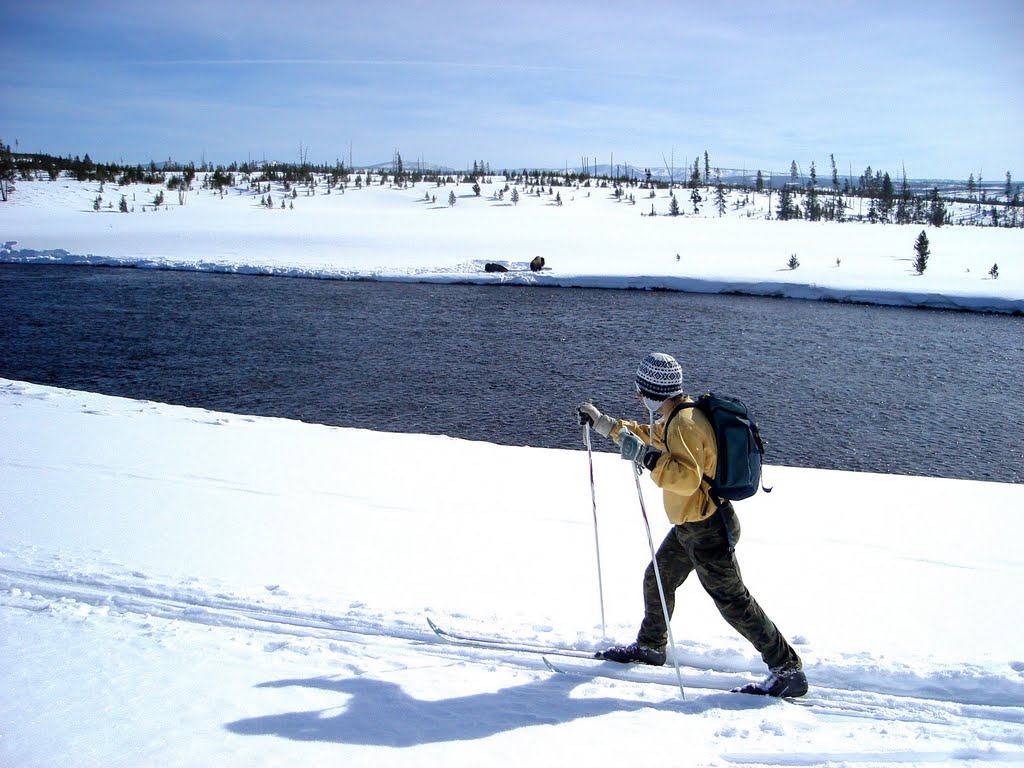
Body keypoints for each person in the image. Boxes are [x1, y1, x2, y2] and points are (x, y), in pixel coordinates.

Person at [576, 352, 808, 698]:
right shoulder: (676, 416)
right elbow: (648, 436)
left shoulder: (684, 424)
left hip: (707, 529)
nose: (638, 396)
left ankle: (787, 668)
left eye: (641, 391)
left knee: (733, 601)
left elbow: (685, 478)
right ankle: (651, 647)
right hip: (691, 525)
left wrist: (644, 457)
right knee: (657, 578)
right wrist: (606, 424)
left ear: (655, 392)